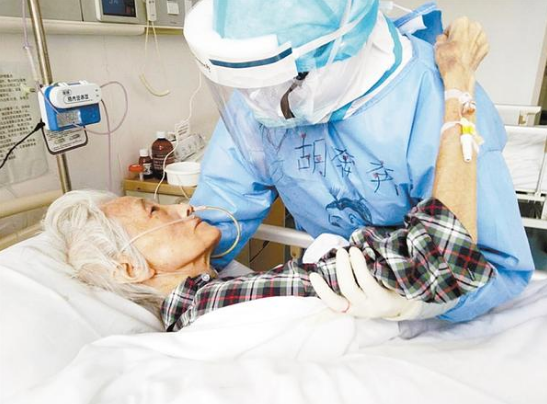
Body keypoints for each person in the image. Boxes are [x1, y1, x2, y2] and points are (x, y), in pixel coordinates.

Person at [43, 16, 498, 330]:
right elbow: (443, 259)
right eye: (153, 211)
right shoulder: (206, 303)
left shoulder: (216, 293)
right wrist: (459, 85)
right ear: (127, 267)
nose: (184, 206)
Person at [184, 0, 534, 323]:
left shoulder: (434, 95)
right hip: (334, 298)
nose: (263, 100)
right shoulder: (259, 96)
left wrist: (417, 306)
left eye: (287, 80)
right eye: (247, 84)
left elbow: (483, 261)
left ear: (342, 45)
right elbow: (216, 214)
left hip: (434, 311)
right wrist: (173, 283)